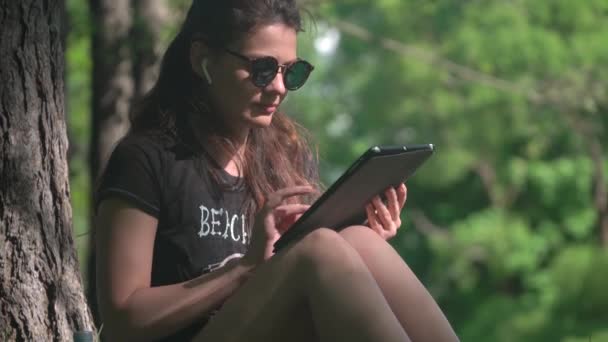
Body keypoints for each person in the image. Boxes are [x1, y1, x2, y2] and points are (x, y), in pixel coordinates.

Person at [94, 1, 460, 341]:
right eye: (262, 69)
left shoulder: (282, 156)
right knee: (320, 250)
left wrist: (361, 258)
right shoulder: (146, 159)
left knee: (357, 242)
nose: (279, 88)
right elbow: (123, 318)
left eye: (292, 71)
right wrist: (243, 269)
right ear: (202, 59)